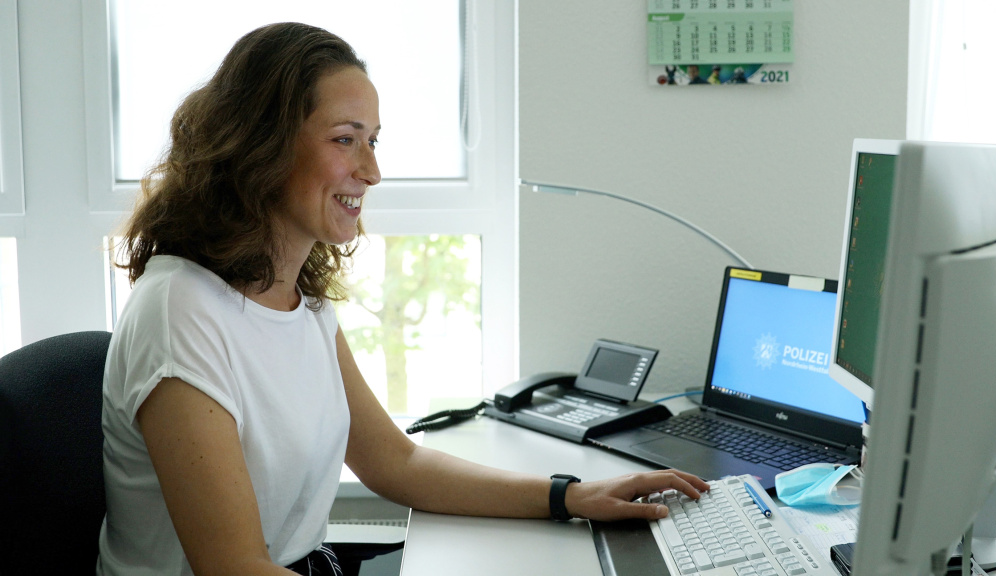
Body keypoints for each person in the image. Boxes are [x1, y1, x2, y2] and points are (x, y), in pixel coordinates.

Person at [96, 22, 708, 576]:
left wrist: (570, 496)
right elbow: (233, 569)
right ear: (262, 145)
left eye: (374, 141)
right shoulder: (181, 311)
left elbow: (396, 464)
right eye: (345, 140)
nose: (371, 171)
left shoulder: (299, 300)